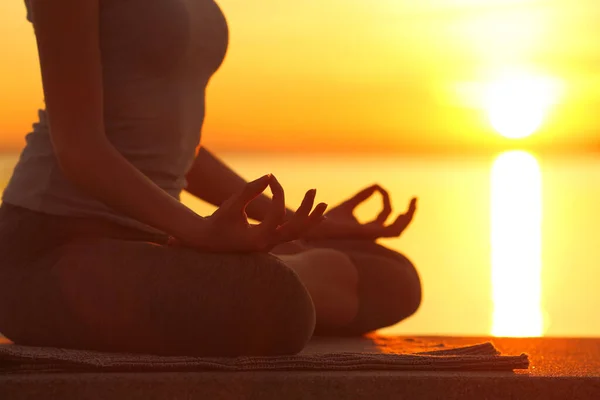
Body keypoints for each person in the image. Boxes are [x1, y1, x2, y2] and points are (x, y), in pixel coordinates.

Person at [0, 0, 421, 357]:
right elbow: (79, 150)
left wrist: (300, 225)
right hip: (49, 248)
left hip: (158, 241)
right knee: (277, 303)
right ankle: (286, 270)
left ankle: (291, 263)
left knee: (393, 277)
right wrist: (199, 231)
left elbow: (182, 151)